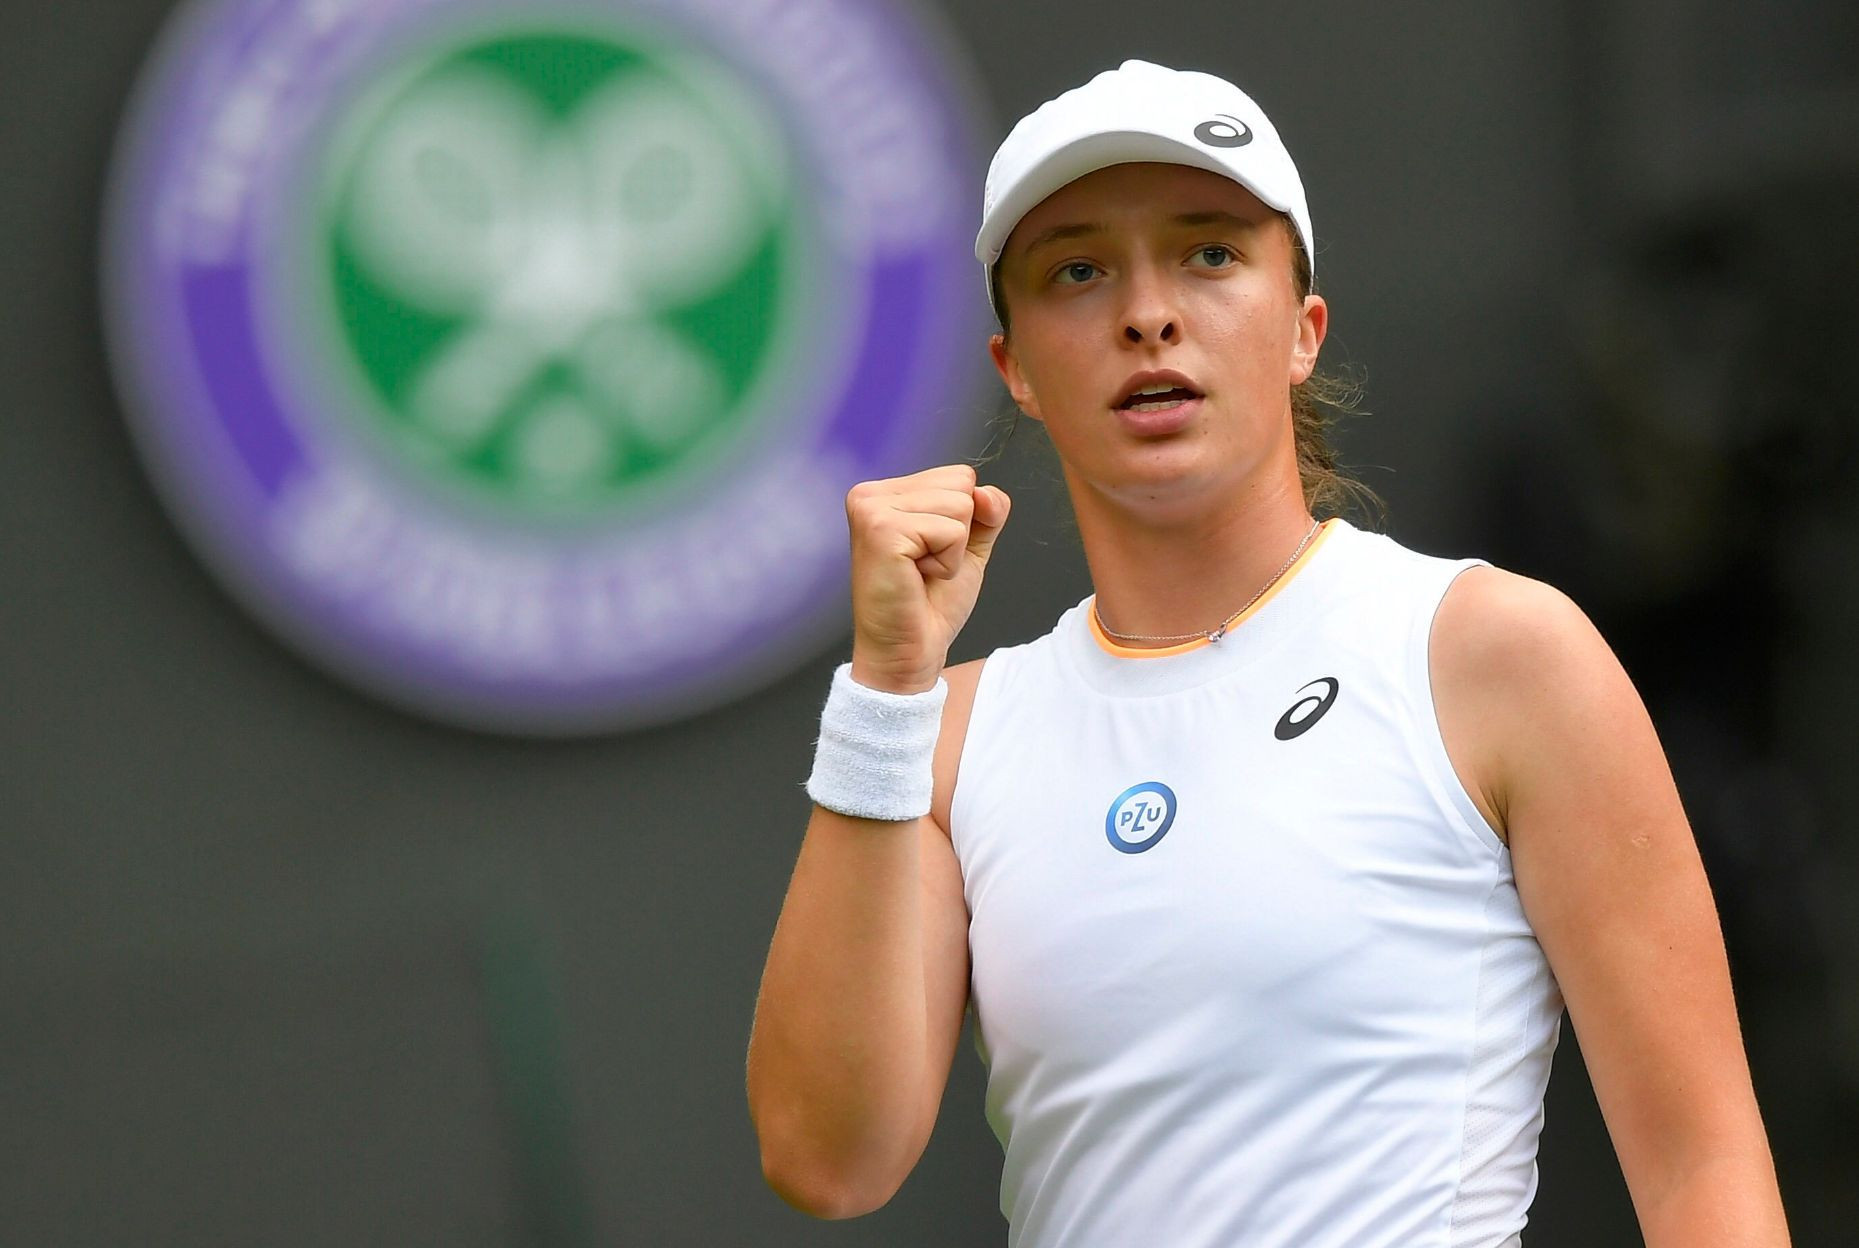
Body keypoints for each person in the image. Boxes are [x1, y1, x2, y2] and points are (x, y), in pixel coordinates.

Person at [745, 60, 1791, 1247]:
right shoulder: (939, 735)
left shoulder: (1494, 653)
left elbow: (1703, 1165)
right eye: (1077, 271)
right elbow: (824, 1160)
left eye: (1207, 253)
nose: (1146, 313)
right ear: (1015, 368)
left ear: (1302, 331)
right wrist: (885, 690)